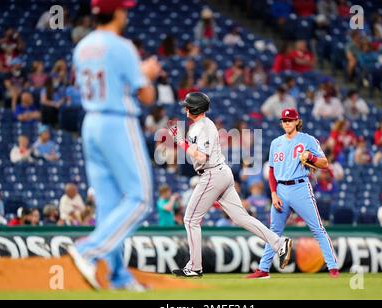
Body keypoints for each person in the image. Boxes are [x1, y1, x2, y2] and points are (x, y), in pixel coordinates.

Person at [68, 0, 161, 291]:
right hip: (117, 122)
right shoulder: (122, 46)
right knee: (141, 197)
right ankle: (88, 250)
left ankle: (118, 276)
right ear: (119, 13)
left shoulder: (82, 46)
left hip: (90, 122)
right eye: (125, 9)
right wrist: (147, 73)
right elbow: (147, 97)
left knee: (109, 207)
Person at [167, 92, 292, 278]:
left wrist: (181, 143)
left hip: (212, 173)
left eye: (188, 105)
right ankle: (279, 243)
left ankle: (194, 267)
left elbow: (202, 157)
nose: (185, 108)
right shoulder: (199, 126)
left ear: (194, 108)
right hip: (219, 173)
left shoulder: (205, 127)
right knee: (241, 217)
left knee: (190, 220)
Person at [246, 108, 339, 279]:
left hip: (300, 188)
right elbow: (272, 171)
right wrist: (273, 193)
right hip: (280, 189)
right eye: (284, 120)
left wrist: (311, 159)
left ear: (297, 121)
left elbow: (325, 163)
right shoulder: (276, 143)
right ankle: (263, 269)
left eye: (290, 120)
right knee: (273, 231)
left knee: (317, 229)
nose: (287, 123)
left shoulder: (308, 140)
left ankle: (333, 268)